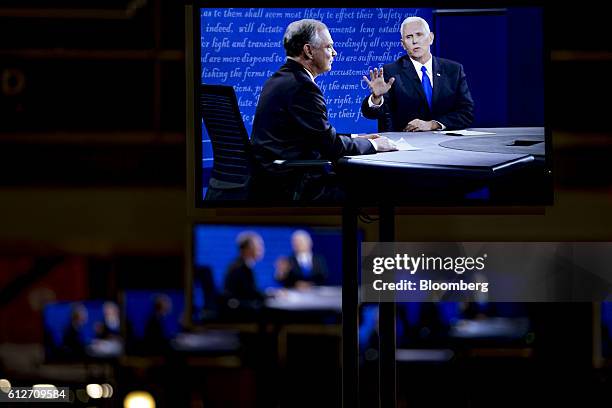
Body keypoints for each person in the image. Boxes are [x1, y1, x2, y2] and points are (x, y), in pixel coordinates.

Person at [251, 19, 397, 201]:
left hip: (272, 178)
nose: (334, 53)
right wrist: (375, 145)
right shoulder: (302, 87)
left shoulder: (280, 78)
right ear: (308, 51)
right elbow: (330, 147)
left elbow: (317, 135)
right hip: (293, 184)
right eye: (329, 47)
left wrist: (356, 138)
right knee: (379, 187)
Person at [361, 16, 474, 132]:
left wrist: (433, 124)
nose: (415, 41)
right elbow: (371, 113)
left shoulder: (453, 70)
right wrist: (376, 98)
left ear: (431, 38)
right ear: (403, 44)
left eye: (419, 34)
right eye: (409, 37)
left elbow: (466, 113)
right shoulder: (392, 71)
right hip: (406, 143)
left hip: (446, 143)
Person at [223, 231, 266, 308]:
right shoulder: (238, 268)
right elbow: (246, 296)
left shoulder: (244, 265)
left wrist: (270, 295)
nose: (261, 250)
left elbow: (252, 292)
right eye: (258, 246)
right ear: (247, 249)